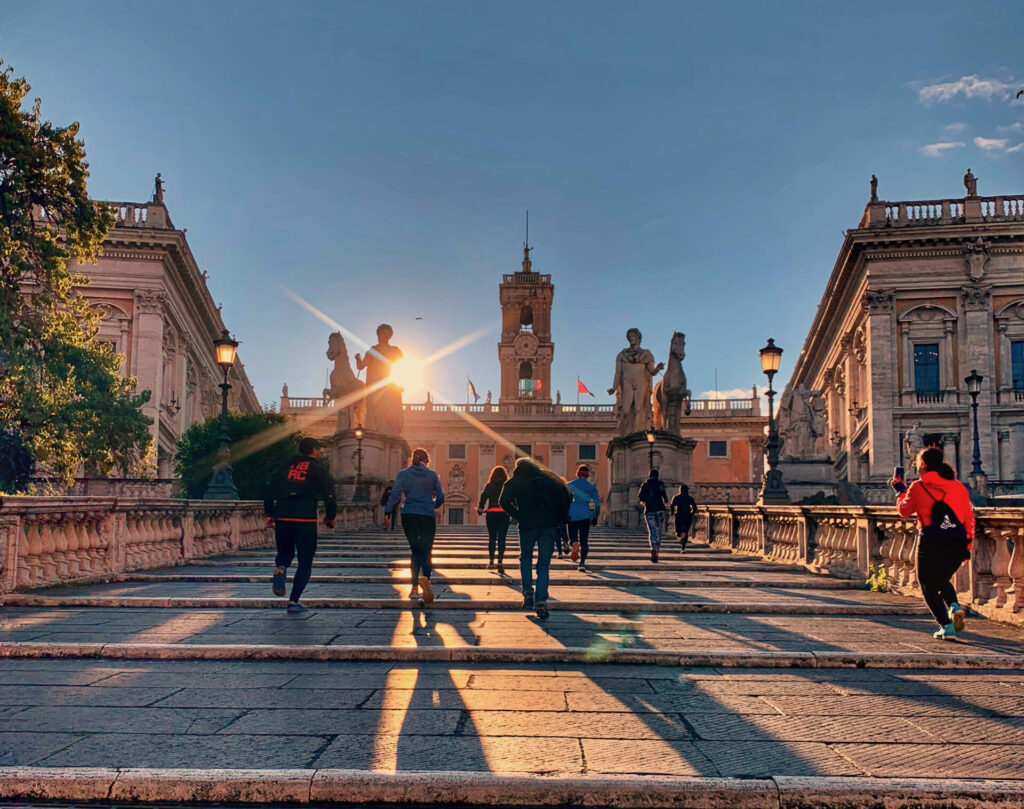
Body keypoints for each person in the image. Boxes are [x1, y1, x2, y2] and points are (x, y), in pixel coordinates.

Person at [891, 447, 975, 640]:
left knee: (927, 585)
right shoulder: (958, 487)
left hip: (931, 541)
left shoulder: (918, 487)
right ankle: (953, 605)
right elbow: (968, 517)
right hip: (957, 541)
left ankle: (947, 626)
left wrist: (900, 491)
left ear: (923, 465)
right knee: (941, 579)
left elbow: (904, 510)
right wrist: (967, 545)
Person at [264, 437, 337, 613]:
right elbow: (329, 494)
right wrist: (330, 516)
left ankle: (281, 568)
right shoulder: (318, 469)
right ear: (314, 450)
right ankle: (294, 600)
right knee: (305, 561)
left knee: (284, 553)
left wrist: (269, 514)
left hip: (283, 515)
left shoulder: (285, 467)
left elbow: (269, 490)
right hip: (305, 519)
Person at [499, 457, 572, 620]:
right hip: (548, 525)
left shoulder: (515, 481)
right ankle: (541, 601)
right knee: (543, 565)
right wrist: (559, 517)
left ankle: (527, 593)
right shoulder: (549, 478)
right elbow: (567, 495)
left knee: (525, 558)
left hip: (527, 526)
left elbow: (503, 501)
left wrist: (518, 515)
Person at [386, 448, 445, 605]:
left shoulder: (403, 474)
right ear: (426, 460)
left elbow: (395, 494)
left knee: (415, 551)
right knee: (426, 551)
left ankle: (413, 589)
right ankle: (426, 580)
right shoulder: (433, 475)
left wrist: (387, 511)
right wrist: (431, 505)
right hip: (427, 515)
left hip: (409, 514)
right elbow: (441, 497)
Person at [477, 465, 511, 575]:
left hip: (491, 513)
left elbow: (483, 497)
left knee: (492, 537)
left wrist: (480, 508)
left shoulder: (489, 485)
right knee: (502, 539)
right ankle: (500, 561)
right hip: (503, 514)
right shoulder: (507, 485)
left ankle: (491, 561)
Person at [567, 464, 601, 572]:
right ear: (587, 475)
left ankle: (574, 544)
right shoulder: (592, 487)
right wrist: (595, 517)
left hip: (572, 514)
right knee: (584, 541)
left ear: (577, 474)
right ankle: (582, 563)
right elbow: (597, 504)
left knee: (572, 538)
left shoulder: (569, 485)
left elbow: (563, 500)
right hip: (585, 515)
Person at [639, 469, 668, 563]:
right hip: (660, 509)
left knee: (652, 531)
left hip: (649, 510)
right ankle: (657, 550)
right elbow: (664, 496)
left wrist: (647, 500)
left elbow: (641, 496)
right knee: (658, 531)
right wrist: (664, 499)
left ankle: (653, 548)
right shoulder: (660, 484)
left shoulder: (645, 485)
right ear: (657, 475)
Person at [670, 483, 698, 552]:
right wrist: (691, 514)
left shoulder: (676, 497)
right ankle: (683, 546)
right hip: (687, 516)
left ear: (680, 490)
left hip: (679, 516)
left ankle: (682, 543)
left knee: (679, 531)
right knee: (685, 531)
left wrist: (672, 513)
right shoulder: (689, 498)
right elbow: (694, 508)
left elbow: (672, 505)